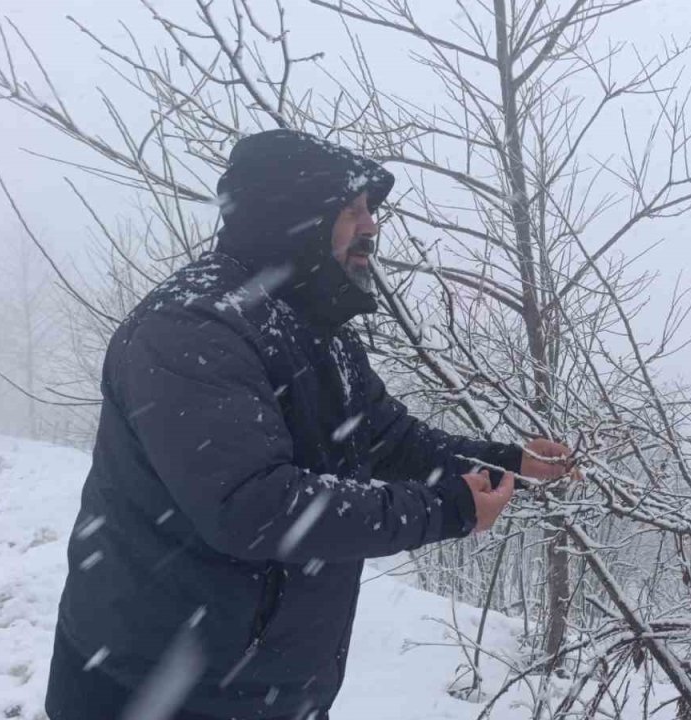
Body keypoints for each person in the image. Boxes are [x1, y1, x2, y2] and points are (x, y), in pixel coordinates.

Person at [44, 129, 574, 719]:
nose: (371, 226)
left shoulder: (313, 329)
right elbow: (255, 507)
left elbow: (387, 440)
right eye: (352, 211)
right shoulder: (193, 329)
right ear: (291, 217)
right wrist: (447, 511)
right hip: (152, 692)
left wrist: (508, 462)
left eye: (371, 211)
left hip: (264, 687)